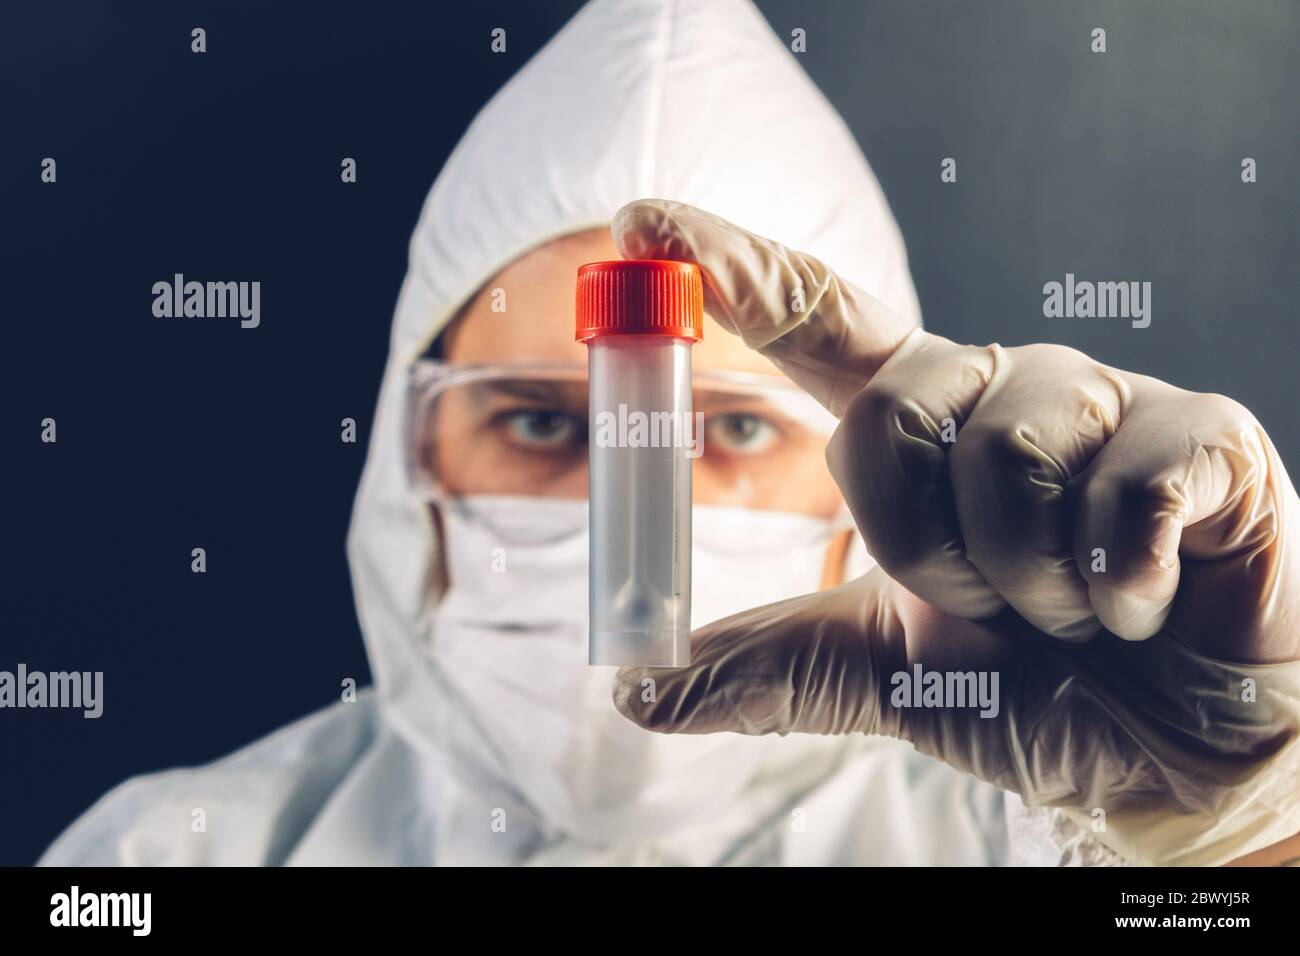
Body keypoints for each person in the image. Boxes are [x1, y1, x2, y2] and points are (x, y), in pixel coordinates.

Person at [40, 0, 1299, 867]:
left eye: (739, 423)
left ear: (873, 474)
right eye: (535, 417)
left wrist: (1225, 833)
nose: (619, 509)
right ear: (404, 459)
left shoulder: (1043, 837)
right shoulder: (165, 857)